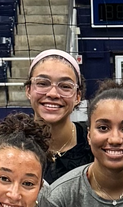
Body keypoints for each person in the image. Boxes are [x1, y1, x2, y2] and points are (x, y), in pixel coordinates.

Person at [25, 49, 92, 184]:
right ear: (28, 90)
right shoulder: (9, 145)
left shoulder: (94, 142)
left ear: (78, 96)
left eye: (65, 86)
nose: (53, 94)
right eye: (43, 83)